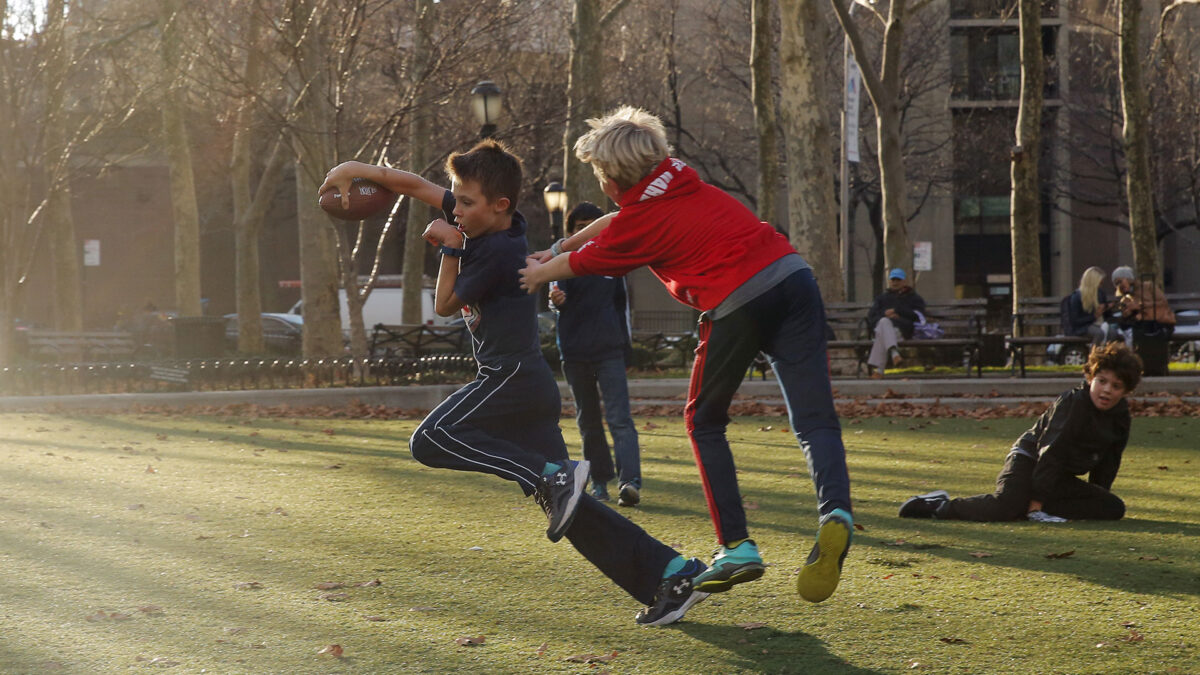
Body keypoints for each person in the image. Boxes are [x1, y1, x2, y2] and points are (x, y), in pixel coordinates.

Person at [317, 141, 711, 626]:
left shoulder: (497, 251)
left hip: (510, 378)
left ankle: (549, 476)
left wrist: (450, 250)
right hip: (526, 386)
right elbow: (414, 185)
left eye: (465, 202)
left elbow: (443, 305)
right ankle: (671, 573)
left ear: (498, 205)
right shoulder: (483, 218)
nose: (454, 208)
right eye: (456, 200)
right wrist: (354, 169)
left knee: (431, 439)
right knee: (570, 511)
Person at [518, 106, 854, 604]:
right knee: (814, 418)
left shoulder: (641, 223)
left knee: (703, 420)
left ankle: (737, 546)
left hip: (736, 298)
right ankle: (836, 513)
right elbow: (614, 222)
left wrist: (538, 272)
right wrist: (560, 245)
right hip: (792, 276)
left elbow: (594, 259)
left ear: (610, 178)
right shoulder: (676, 177)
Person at [898, 341, 1140, 522]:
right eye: (1102, 381)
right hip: (1029, 460)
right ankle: (938, 506)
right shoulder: (1074, 403)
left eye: (1116, 386)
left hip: (1058, 476)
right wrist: (1036, 502)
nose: (1106, 390)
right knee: (1005, 507)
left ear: (1126, 391)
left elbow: (1108, 462)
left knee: (1113, 508)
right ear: (1090, 378)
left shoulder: (1120, 417)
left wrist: (1098, 495)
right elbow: (1052, 451)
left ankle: (1031, 504)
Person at [550, 201, 642, 506]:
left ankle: (630, 483)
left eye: (593, 224)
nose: (586, 231)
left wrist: (627, 350)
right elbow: (553, 297)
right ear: (572, 231)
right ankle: (599, 482)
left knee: (620, 419)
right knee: (588, 420)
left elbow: (622, 308)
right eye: (579, 227)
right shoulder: (563, 260)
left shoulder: (614, 262)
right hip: (575, 353)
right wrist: (557, 301)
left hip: (609, 351)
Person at [865, 268, 927, 377]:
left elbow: (918, 316)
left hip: (902, 330)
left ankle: (879, 370)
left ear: (904, 282)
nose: (895, 282)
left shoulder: (913, 297)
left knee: (882, 332)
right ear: (889, 281)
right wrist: (885, 315)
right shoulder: (881, 298)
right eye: (893, 280)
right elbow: (872, 317)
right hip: (884, 329)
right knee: (884, 323)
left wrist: (897, 312)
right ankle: (894, 353)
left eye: (898, 280)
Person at [1112, 265, 1175, 344]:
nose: (1119, 286)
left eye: (1120, 281)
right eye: (1116, 284)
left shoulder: (1148, 286)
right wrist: (1127, 313)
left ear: (1128, 278)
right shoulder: (1127, 297)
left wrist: (1140, 305)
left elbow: (1162, 303)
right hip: (1142, 325)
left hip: (1159, 323)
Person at [1063, 266, 1120, 345]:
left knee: (1112, 333)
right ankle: (1093, 355)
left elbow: (1105, 315)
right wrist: (1094, 316)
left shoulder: (1100, 293)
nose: (1101, 285)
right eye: (1100, 283)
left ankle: (1107, 354)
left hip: (1099, 323)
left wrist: (1107, 308)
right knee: (1099, 333)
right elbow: (1075, 321)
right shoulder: (1077, 297)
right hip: (1082, 327)